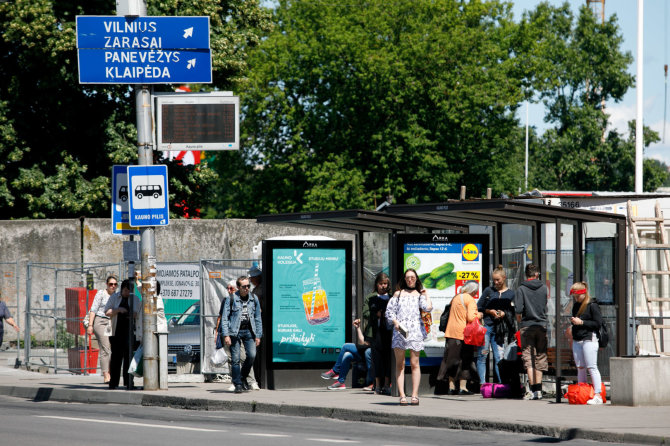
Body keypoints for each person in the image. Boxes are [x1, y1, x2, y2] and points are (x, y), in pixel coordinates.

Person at [385, 268, 433, 406]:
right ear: (404, 279)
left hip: (415, 331)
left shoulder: (419, 295)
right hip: (400, 331)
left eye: (412, 277)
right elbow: (389, 312)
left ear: (416, 279)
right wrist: (395, 322)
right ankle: (402, 395)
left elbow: (428, 308)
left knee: (414, 364)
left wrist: (426, 294)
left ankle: (415, 395)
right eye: (408, 277)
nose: (410, 279)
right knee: (400, 364)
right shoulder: (398, 294)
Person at [221, 275, 263, 393]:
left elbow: (258, 318)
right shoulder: (231, 299)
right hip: (235, 331)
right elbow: (225, 318)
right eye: (244, 286)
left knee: (252, 356)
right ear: (238, 287)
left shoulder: (254, 299)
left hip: (249, 331)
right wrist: (226, 335)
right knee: (235, 359)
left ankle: (242, 377)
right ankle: (238, 384)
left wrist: (258, 335)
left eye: (248, 286)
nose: (247, 288)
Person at [438, 281, 479, 395]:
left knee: (452, 361)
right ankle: (462, 387)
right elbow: (471, 318)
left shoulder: (456, 298)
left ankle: (451, 387)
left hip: (451, 333)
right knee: (465, 361)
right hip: (463, 334)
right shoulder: (470, 300)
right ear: (473, 291)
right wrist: (479, 315)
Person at [476, 265, 515, 386]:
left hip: (500, 330)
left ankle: (500, 384)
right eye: (494, 280)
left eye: (498, 280)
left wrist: (504, 313)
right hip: (487, 326)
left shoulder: (511, 294)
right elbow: (479, 306)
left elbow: (514, 311)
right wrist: (489, 311)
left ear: (504, 278)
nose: (496, 282)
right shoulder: (489, 290)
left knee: (499, 357)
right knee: (483, 355)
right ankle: (483, 384)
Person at [515, 263, 548, 400]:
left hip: (527, 326)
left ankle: (532, 390)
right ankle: (539, 390)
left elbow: (518, 310)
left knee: (529, 358)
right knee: (540, 356)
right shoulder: (544, 288)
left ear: (526, 275)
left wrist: (520, 322)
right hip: (541, 325)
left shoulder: (521, 289)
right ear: (536, 274)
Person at [568, 282, 604, 405]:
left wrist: (582, 322)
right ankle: (581, 391)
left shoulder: (592, 305)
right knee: (580, 367)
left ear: (583, 293)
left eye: (577, 296)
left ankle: (598, 394)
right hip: (577, 339)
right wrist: (574, 322)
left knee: (592, 366)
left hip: (589, 338)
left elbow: (598, 323)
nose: (576, 299)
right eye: (574, 296)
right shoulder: (576, 305)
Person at [104, 279, 142, 390]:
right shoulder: (115, 297)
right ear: (122, 289)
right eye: (125, 290)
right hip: (116, 331)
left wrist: (129, 313)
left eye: (129, 291)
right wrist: (118, 309)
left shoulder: (134, 298)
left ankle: (129, 382)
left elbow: (136, 313)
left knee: (128, 357)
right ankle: (113, 382)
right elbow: (107, 311)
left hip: (130, 332)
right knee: (116, 357)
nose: (126, 293)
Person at [362, 272, 393, 394]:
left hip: (388, 331)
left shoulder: (391, 297)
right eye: (381, 284)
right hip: (375, 332)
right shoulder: (370, 297)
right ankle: (377, 385)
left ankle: (386, 384)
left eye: (385, 284)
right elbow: (365, 313)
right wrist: (377, 315)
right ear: (377, 284)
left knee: (387, 359)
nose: (383, 286)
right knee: (376, 359)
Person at [320, 319, 372, 390]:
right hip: (363, 352)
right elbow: (362, 342)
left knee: (346, 346)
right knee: (347, 355)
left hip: (369, 353)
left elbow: (368, 343)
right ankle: (340, 382)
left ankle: (335, 371)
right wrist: (358, 328)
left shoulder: (377, 323)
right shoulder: (370, 324)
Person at [86, 275, 116, 383]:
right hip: (100, 321)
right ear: (107, 285)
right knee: (106, 348)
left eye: (115, 284)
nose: (113, 286)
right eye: (111, 284)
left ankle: (110, 372)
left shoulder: (117, 296)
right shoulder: (101, 294)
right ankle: (106, 374)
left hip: (111, 323)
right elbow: (93, 310)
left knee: (110, 349)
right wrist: (90, 325)